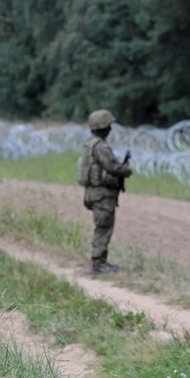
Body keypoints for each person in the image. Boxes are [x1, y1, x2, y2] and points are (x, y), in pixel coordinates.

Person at [77, 109, 132, 274]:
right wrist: (126, 170)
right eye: (109, 125)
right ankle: (99, 263)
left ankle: (99, 261)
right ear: (103, 127)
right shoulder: (101, 147)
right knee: (103, 227)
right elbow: (113, 167)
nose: (111, 129)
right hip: (102, 194)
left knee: (102, 226)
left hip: (93, 193)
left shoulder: (90, 144)